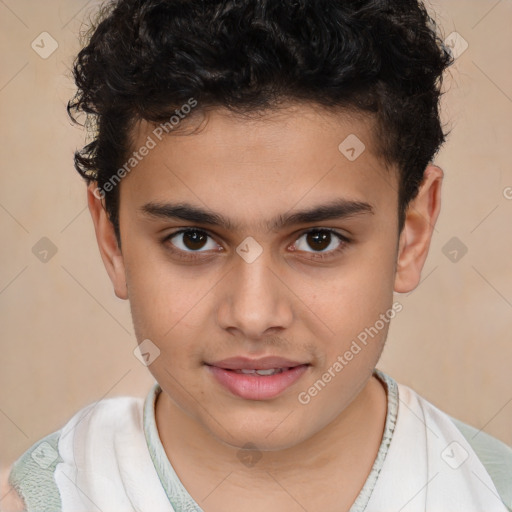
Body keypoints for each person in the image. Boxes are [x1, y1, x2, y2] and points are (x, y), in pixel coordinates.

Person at [3, 0, 512, 510]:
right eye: (193, 239)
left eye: (318, 239)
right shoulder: (45, 496)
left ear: (412, 233)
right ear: (111, 239)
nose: (253, 316)